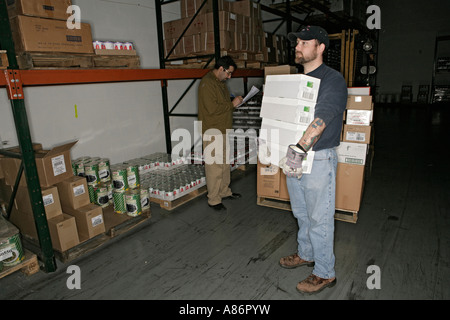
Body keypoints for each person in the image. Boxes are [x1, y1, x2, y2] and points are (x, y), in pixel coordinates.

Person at [279, 26, 348, 294]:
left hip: (317, 158)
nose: (298, 45)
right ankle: (306, 254)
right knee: (302, 213)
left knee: (319, 218)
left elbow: (323, 118)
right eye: (297, 41)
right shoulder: (297, 81)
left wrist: (298, 151)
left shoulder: (332, 80)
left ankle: (324, 273)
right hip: (293, 156)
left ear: (320, 47)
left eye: (304, 42)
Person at [198, 56, 243, 212]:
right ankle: (214, 199)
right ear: (221, 69)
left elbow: (223, 104)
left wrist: (233, 102)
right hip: (212, 131)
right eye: (229, 73)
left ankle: (224, 192)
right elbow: (212, 109)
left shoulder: (220, 83)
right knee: (214, 167)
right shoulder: (207, 83)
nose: (229, 77)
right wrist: (232, 104)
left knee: (224, 165)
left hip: (224, 129)